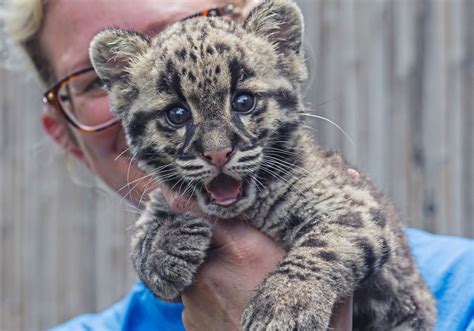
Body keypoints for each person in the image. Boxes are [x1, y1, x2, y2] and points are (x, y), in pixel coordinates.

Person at [3, 0, 473, 330]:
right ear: (62, 133)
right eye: (176, 111)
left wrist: (296, 289)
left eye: (244, 100)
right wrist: (154, 251)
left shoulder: (463, 289)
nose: (217, 148)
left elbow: (361, 227)